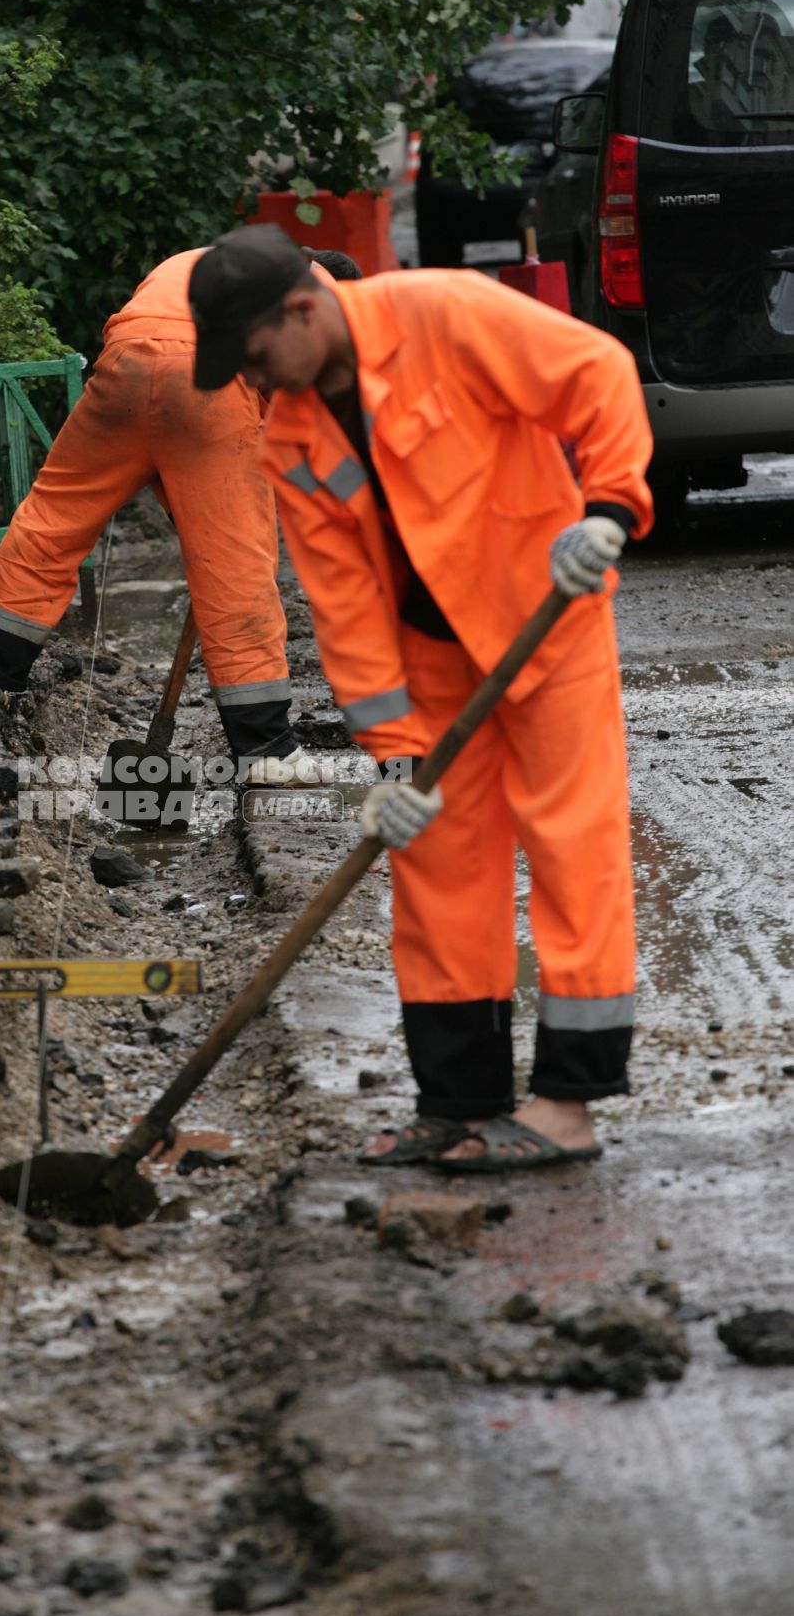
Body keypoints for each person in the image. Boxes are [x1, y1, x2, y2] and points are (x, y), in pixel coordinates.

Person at [188, 225, 654, 1171]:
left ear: (302, 309)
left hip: (545, 621)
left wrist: (608, 506)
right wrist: (394, 754)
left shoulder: (444, 315)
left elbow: (595, 372)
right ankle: (457, 1104)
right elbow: (345, 600)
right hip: (434, 662)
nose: (254, 380)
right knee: (436, 862)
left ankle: (566, 1104)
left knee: (573, 847)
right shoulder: (290, 434)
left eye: (255, 355)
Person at [0, 247, 307, 779]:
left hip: (127, 365)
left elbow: (158, 370)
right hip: (211, 385)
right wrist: (221, 514)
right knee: (236, 567)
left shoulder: (205, 260)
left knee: (56, 517)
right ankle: (266, 751)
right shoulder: (315, 292)